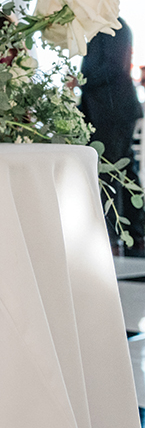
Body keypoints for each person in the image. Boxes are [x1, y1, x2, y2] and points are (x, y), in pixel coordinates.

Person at [79, 17, 144, 255]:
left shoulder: (112, 25)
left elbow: (112, 68)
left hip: (112, 110)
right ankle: (134, 235)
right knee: (124, 172)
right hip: (112, 110)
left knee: (110, 173)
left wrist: (80, 80)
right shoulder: (108, 26)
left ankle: (113, 239)